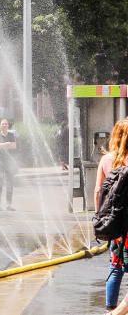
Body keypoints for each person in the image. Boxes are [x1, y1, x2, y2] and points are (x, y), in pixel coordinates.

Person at [97, 119, 128, 312]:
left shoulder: (106, 160)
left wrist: (100, 219)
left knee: (115, 268)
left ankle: (110, 309)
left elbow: (98, 191)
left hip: (114, 225)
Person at [0, 119, 18, 211]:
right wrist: (6, 144)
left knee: (10, 183)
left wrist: (1, 145)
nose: (4, 125)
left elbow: (14, 146)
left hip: (9, 162)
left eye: (6, 124)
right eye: (3, 124)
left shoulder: (11, 135)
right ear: (0, 126)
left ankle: (8, 205)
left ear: (8, 126)